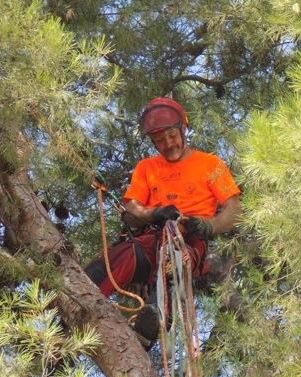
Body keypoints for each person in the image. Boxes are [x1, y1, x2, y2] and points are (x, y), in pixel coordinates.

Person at [85, 97, 241, 345]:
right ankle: (75, 310)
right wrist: (153, 214)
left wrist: (207, 226)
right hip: (151, 236)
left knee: (174, 255)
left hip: (189, 239)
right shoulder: (147, 168)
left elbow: (234, 210)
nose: (168, 144)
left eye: (172, 136)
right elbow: (131, 211)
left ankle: (155, 317)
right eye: (160, 140)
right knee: (110, 262)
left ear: (183, 129)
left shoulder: (210, 164)